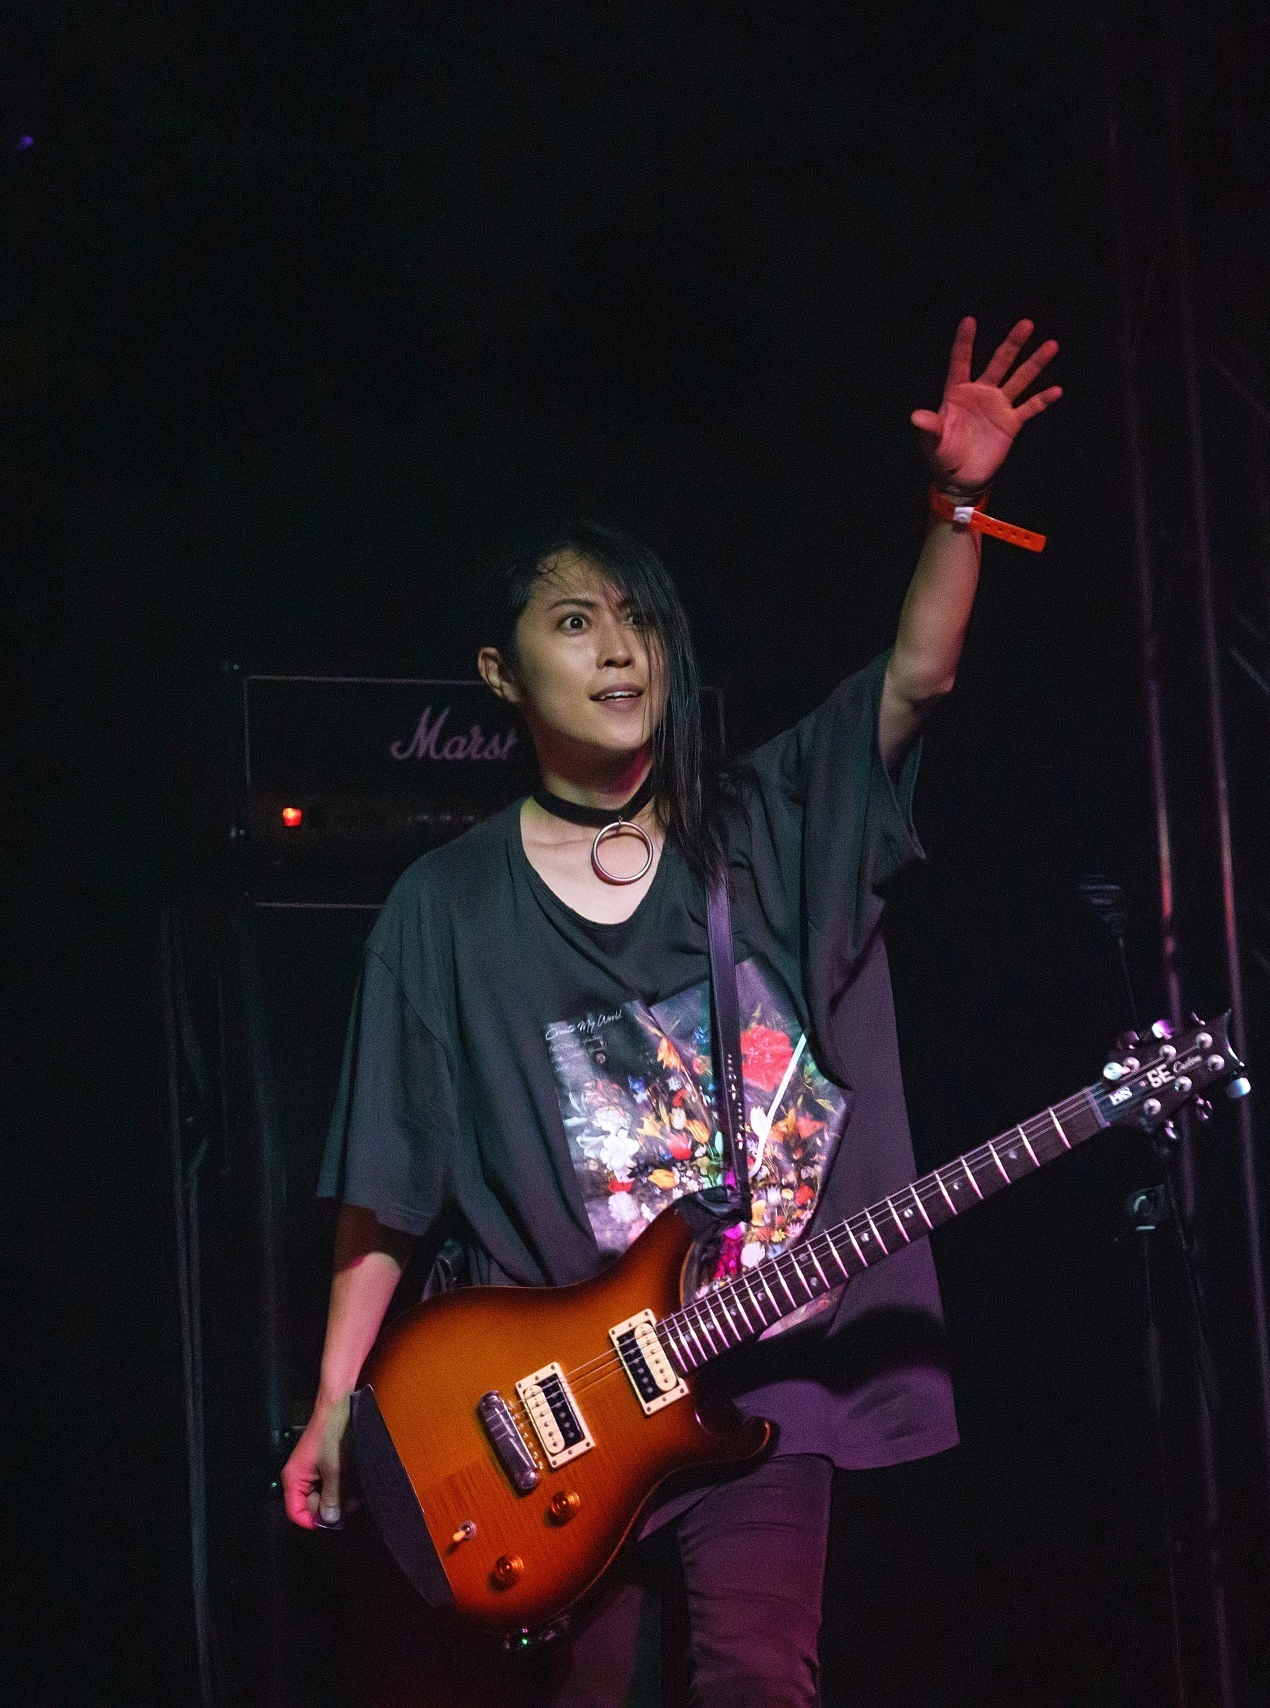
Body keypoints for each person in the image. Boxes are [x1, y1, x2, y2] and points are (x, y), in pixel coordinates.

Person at [285, 316, 1063, 1705]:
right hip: (557, 1419)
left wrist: (958, 506)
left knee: (758, 1673)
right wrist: (340, 1400)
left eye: (638, 618)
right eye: (574, 621)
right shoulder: (442, 910)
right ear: (500, 673)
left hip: (761, 1383)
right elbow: (386, 1186)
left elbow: (916, 677)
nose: (620, 649)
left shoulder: (760, 828)